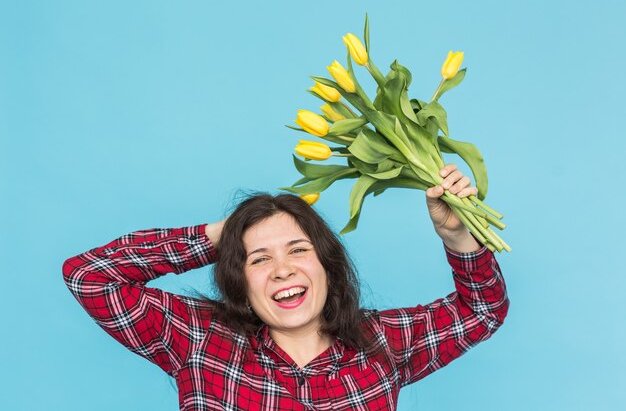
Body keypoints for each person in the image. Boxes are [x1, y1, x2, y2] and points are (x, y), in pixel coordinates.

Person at [62, 164, 509, 411]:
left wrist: (457, 236)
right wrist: (225, 234)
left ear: (327, 265)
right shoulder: (199, 339)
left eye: (297, 250)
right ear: (239, 279)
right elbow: (90, 276)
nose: (280, 270)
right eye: (258, 259)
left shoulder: (382, 342)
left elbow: (483, 311)